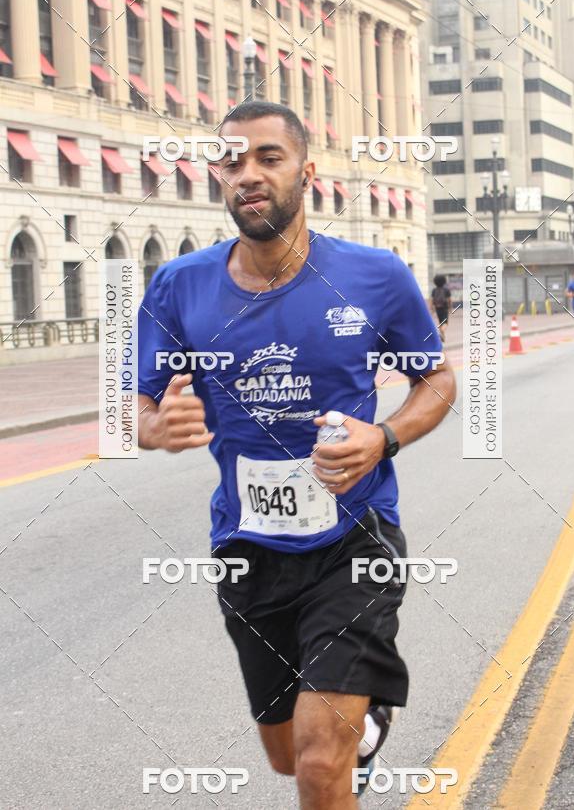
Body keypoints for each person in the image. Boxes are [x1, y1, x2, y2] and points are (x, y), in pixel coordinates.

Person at [136, 102, 456, 809]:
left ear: (307, 174)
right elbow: (132, 402)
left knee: (317, 759)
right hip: (248, 549)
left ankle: (345, 735)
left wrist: (385, 437)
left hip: (354, 541)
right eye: (232, 162)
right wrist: (151, 426)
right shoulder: (179, 286)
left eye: (268, 158)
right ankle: (363, 729)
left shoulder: (374, 276)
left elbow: (435, 380)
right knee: (287, 756)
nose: (248, 174)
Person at [430, 274, 452, 343]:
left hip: (437, 308)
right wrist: (450, 308)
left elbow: (432, 300)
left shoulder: (434, 290)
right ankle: (442, 331)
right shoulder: (446, 290)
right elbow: (449, 300)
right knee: (445, 323)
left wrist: (432, 308)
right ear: (444, 281)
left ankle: (443, 338)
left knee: (440, 322)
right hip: (444, 308)